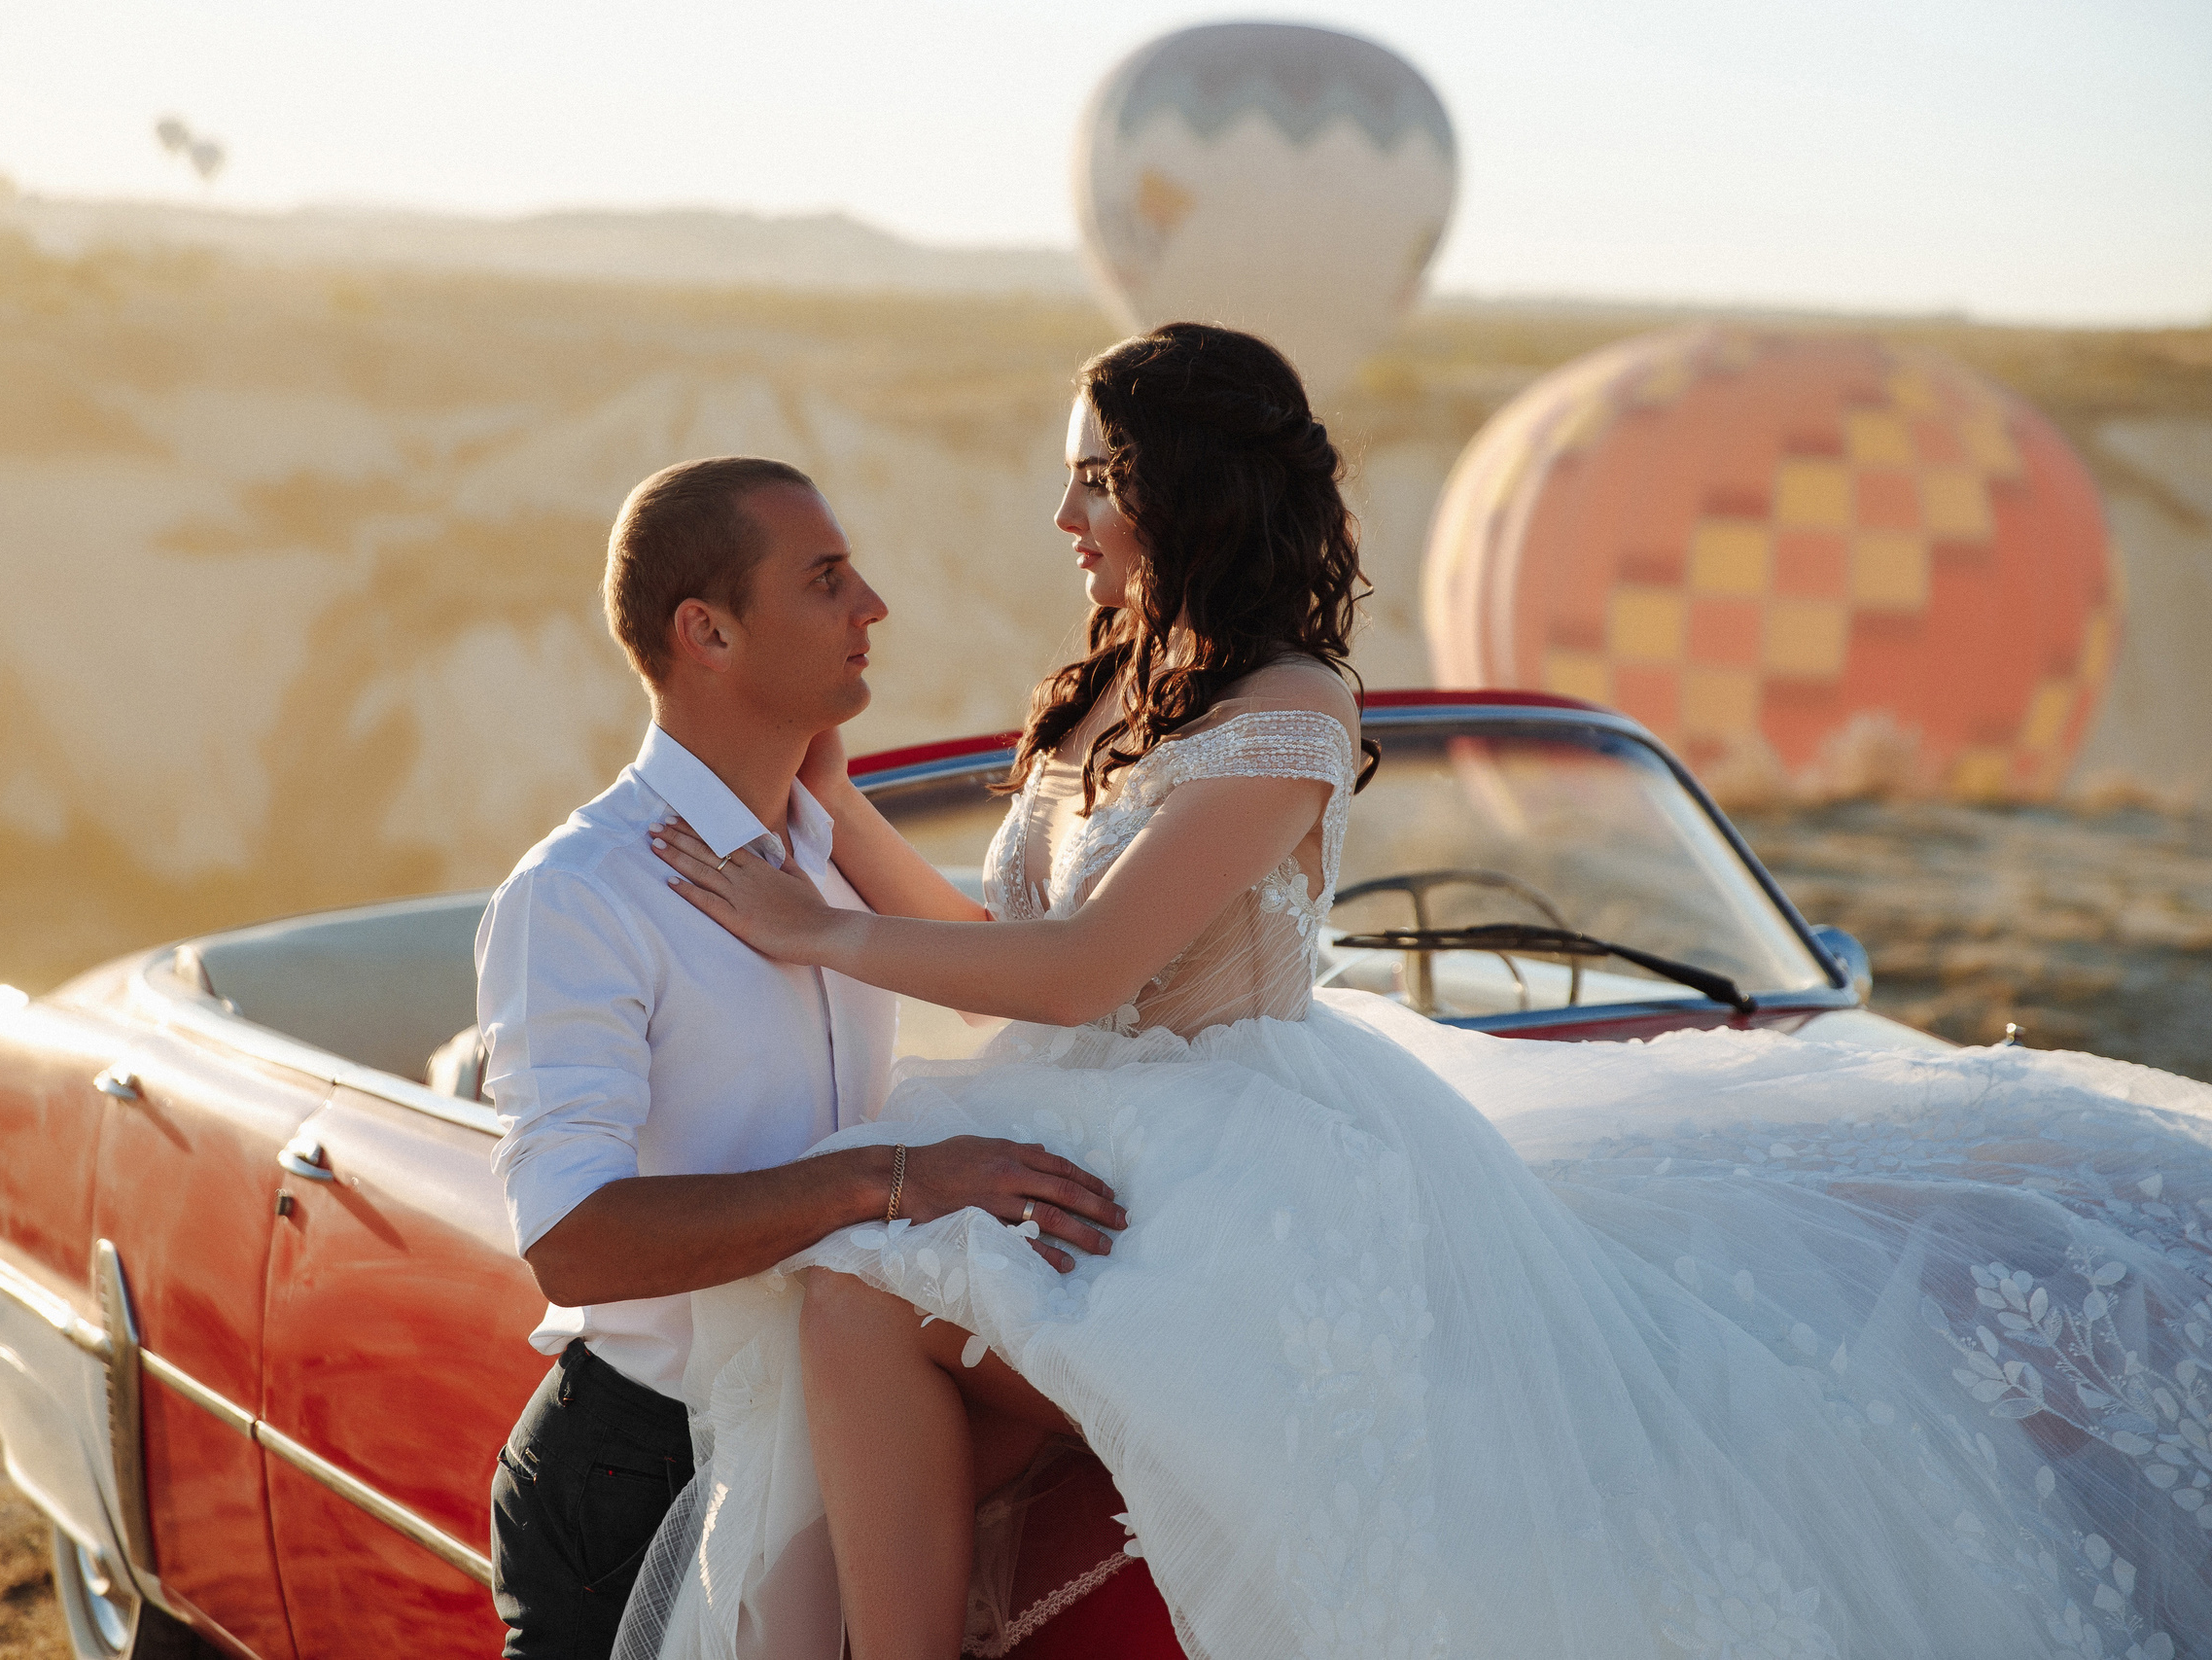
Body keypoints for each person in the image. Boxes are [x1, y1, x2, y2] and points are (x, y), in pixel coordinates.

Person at [627, 324, 2212, 1660]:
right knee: (859, 1319)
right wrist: (826, 806)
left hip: (1230, 1152)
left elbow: (1088, 967)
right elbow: (1004, 925)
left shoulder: (1291, 702)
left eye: (1095, 480)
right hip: (1081, 1117)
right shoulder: (1103, 680)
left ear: (1184, 486)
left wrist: (815, 935)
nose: (1066, 517)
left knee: (849, 1287)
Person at [476, 455, 1127, 1660]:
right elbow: (570, 1239)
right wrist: (894, 1181)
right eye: (826, 579)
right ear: (706, 631)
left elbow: (1032, 987)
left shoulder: (828, 865)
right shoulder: (579, 894)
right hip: (642, 1469)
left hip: (836, 1445)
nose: (872, 604)